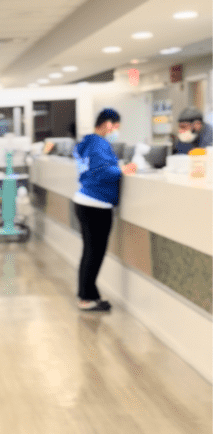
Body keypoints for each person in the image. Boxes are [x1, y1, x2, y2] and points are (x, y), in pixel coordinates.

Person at [72, 109, 134, 312]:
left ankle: (89, 294)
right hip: (95, 204)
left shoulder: (88, 142)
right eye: (116, 127)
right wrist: (121, 170)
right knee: (94, 253)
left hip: (86, 201)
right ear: (108, 124)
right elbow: (102, 172)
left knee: (90, 252)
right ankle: (86, 298)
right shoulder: (99, 143)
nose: (116, 131)